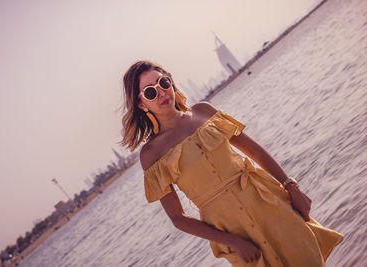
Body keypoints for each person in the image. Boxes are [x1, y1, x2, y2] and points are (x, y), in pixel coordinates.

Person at [120, 60, 343, 266]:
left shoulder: (204, 111)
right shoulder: (151, 154)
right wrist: (232, 241)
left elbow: (254, 151)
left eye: (163, 82)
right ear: (141, 103)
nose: (161, 92)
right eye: (150, 91)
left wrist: (291, 186)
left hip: (271, 205)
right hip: (233, 232)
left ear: (170, 81)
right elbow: (178, 218)